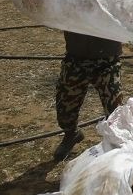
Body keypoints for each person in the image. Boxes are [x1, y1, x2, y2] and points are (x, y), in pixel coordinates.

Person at [53, 32, 124, 160]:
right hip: (76, 57)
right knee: (65, 107)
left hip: (107, 59)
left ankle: (117, 147)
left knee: (115, 111)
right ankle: (71, 134)